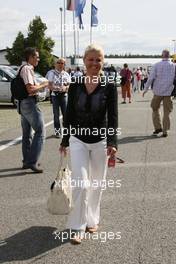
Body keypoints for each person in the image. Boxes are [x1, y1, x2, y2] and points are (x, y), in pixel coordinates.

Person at [59, 44, 118, 244]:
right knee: (81, 184)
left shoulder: (109, 85)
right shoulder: (75, 84)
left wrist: (112, 141)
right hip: (78, 139)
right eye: (91, 59)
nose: (95, 63)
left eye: (98, 60)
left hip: (100, 141)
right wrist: (65, 139)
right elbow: (69, 114)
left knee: (96, 184)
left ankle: (92, 219)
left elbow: (113, 116)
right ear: (84, 60)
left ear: (103, 62)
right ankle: (77, 226)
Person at [20, 47, 49, 173]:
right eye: (36, 56)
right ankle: (32, 162)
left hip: (22, 103)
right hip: (28, 103)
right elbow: (30, 89)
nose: (38, 59)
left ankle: (27, 160)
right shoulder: (27, 69)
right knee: (40, 131)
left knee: (27, 133)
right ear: (31, 57)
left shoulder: (23, 68)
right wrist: (44, 84)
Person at [143, 49, 175, 137]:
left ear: (162, 55)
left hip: (158, 91)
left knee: (154, 109)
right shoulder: (174, 65)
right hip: (168, 92)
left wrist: (145, 89)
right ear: (169, 56)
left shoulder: (156, 65)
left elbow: (151, 78)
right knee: (167, 112)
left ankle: (158, 128)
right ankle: (165, 131)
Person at [46, 58, 71, 138]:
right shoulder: (51, 73)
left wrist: (65, 88)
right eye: (59, 63)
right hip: (55, 96)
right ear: (55, 64)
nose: (60, 64)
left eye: (62, 63)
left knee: (66, 115)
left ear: (64, 65)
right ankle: (58, 132)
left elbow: (69, 85)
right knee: (56, 115)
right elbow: (49, 85)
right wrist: (56, 89)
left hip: (64, 96)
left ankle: (67, 131)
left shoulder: (66, 74)